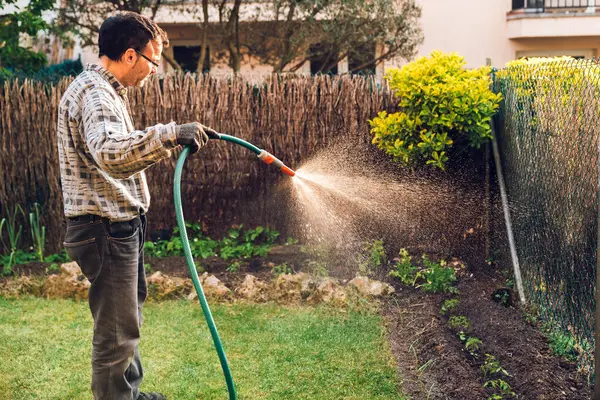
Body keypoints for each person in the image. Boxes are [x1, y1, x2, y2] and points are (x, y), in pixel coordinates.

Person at [57, 11, 211, 400]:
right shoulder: (96, 93)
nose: (154, 70)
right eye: (153, 61)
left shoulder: (101, 89)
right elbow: (110, 152)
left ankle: (129, 393)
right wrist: (171, 134)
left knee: (125, 321)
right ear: (129, 56)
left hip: (114, 226)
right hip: (104, 228)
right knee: (116, 332)